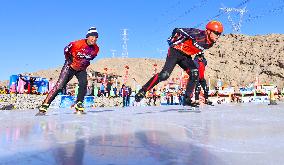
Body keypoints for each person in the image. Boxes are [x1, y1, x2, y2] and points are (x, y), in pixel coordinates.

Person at [135, 20, 223, 107]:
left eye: (219, 34)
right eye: (216, 33)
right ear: (208, 31)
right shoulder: (197, 34)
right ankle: (143, 90)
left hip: (185, 56)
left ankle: (187, 99)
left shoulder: (210, 44)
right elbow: (177, 30)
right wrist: (171, 40)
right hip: (175, 51)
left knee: (195, 73)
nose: (218, 36)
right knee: (165, 75)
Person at [36, 27, 99, 116]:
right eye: (92, 36)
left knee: (84, 83)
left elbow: (91, 58)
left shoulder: (96, 49)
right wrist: (69, 59)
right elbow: (66, 49)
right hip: (70, 66)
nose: (94, 39)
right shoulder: (77, 44)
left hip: (81, 68)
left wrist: (84, 64)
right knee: (60, 86)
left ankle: (79, 103)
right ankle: (45, 105)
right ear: (87, 37)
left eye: (96, 37)